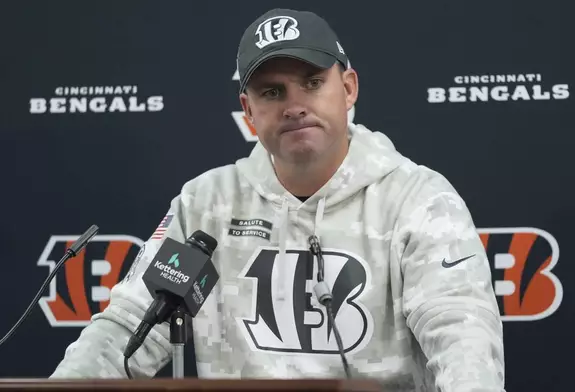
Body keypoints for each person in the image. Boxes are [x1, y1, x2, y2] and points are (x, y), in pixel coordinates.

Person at [50, 8, 505, 392]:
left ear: (348, 89)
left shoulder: (418, 199)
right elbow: (132, 324)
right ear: (248, 111)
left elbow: (461, 335)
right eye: (272, 92)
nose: (293, 105)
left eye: (311, 83)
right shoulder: (206, 203)